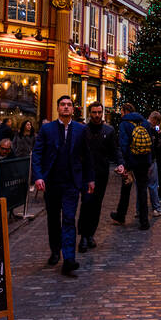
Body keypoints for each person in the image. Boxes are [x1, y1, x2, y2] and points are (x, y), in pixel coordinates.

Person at [32, 95, 94, 276]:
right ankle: (54, 250)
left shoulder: (81, 130)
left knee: (68, 219)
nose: (66, 107)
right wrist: (38, 176)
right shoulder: (47, 129)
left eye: (69, 105)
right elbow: (37, 154)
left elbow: (87, 156)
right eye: (62, 105)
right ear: (58, 108)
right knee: (53, 219)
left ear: (73, 109)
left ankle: (68, 259)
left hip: (72, 183)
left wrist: (90, 179)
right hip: (51, 182)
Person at [78, 102, 124, 252]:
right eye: (94, 112)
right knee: (86, 203)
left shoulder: (109, 131)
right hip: (85, 174)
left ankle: (91, 234)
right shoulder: (83, 130)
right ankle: (84, 236)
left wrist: (120, 163)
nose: (97, 115)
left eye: (99, 112)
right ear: (89, 113)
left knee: (97, 204)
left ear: (102, 113)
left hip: (101, 174)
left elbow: (115, 150)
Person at [111, 103, 153, 230]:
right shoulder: (145, 123)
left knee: (126, 189)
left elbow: (123, 145)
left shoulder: (124, 124)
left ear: (125, 111)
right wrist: (149, 161)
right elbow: (151, 143)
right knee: (142, 190)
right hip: (144, 161)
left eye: (121, 111)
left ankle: (120, 215)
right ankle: (144, 221)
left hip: (130, 161)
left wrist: (124, 163)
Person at [146, 111, 161, 217]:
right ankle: (156, 208)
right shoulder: (151, 129)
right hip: (150, 160)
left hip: (142, 161)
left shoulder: (142, 126)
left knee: (141, 187)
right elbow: (155, 146)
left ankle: (139, 210)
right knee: (153, 185)